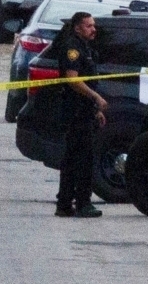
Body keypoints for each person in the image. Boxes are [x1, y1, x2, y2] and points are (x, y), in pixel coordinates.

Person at [54, 12, 108, 218]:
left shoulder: (84, 47)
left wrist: (95, 111)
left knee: (72, 158)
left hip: (84, 111)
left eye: (93, 26)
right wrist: (96, 97)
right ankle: (83, 203)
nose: (93, 29)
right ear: (77, 28)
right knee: (83, 159)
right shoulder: (73, 48)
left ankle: (65, 203)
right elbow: (73, 80)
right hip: (75, 111)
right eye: (89, 26)